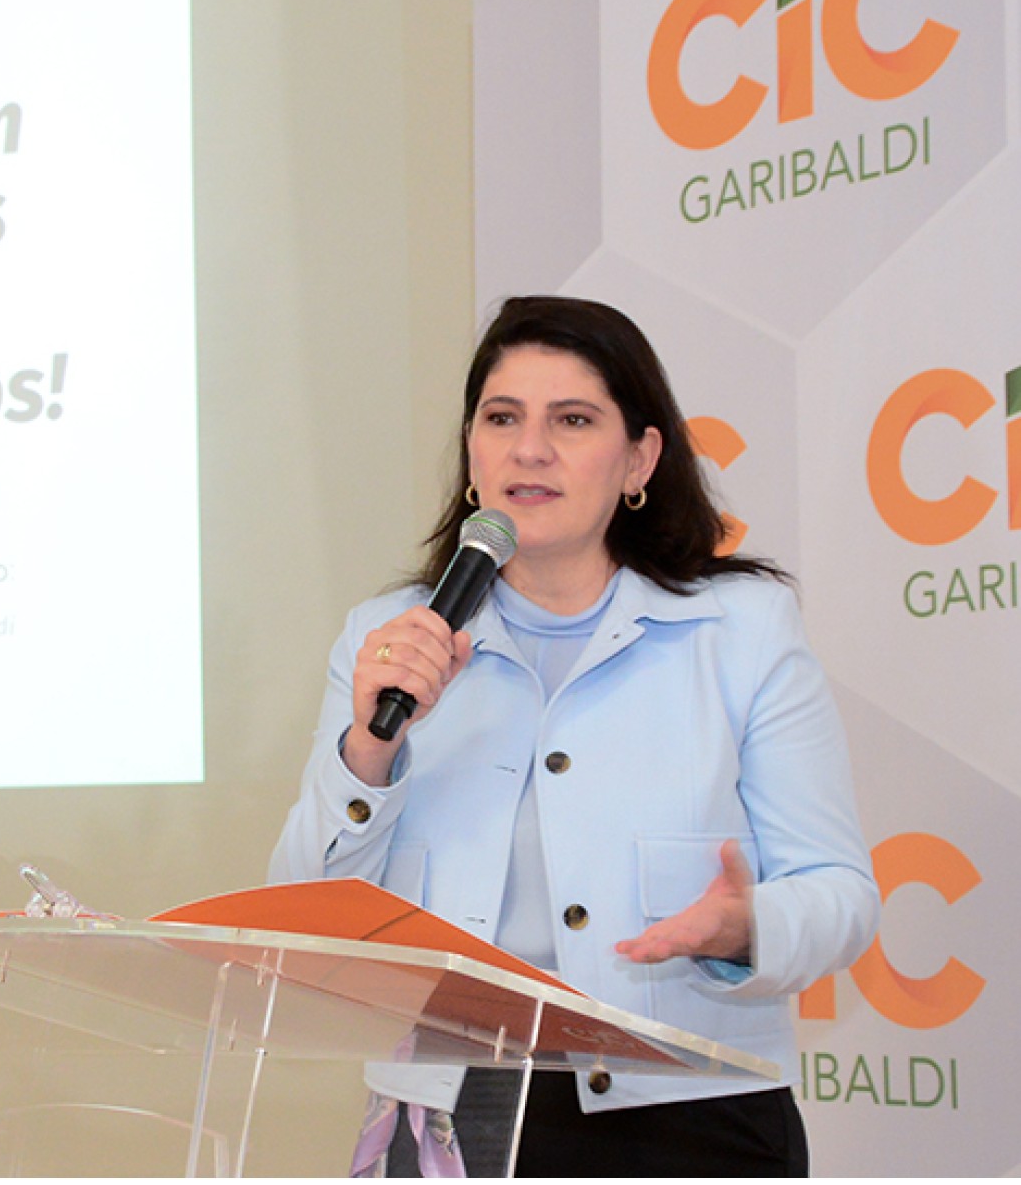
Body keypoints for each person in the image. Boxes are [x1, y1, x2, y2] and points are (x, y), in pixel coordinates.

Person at [268, 296, 878, 1177]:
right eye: (502, 418)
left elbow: (841, 895)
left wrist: (746, 928)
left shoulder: (741, 630)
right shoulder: (391, 638)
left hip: (689, 1117)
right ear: (472, 454)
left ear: (640, 459)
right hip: (454, 1121)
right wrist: (370, 749)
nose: (530, 449)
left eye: (573, 420)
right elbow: (304, 912)